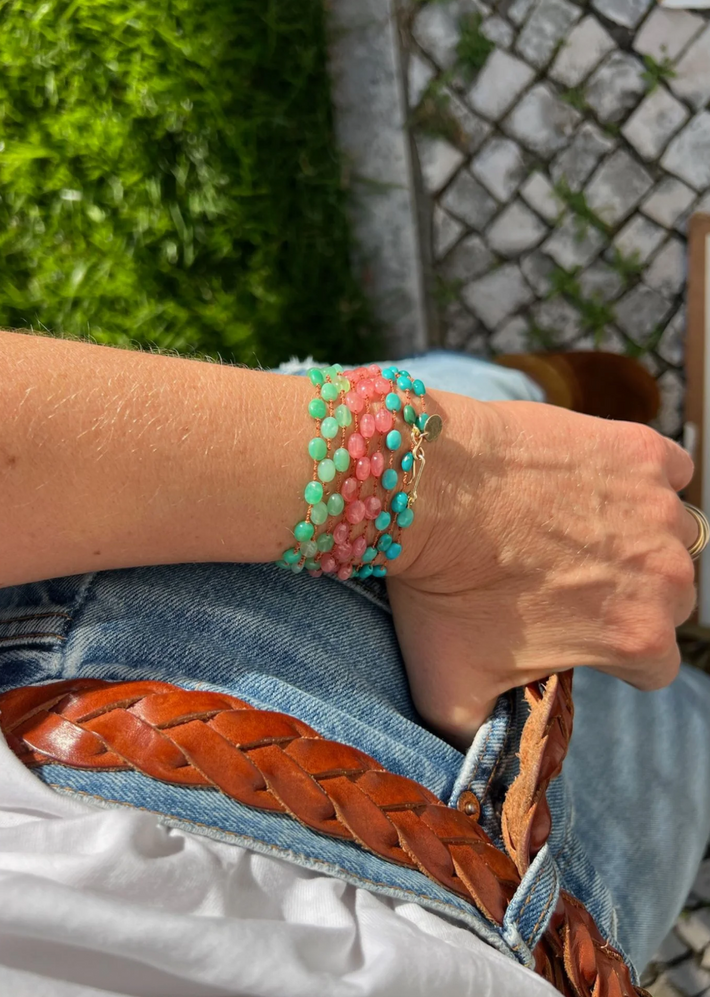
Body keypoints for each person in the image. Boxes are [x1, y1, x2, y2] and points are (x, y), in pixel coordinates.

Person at [0, 328, 708, 997]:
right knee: (680, 725)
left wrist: (448, 488)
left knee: (483, 414)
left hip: (173, 657)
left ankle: (536, 389)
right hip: (542, 945)